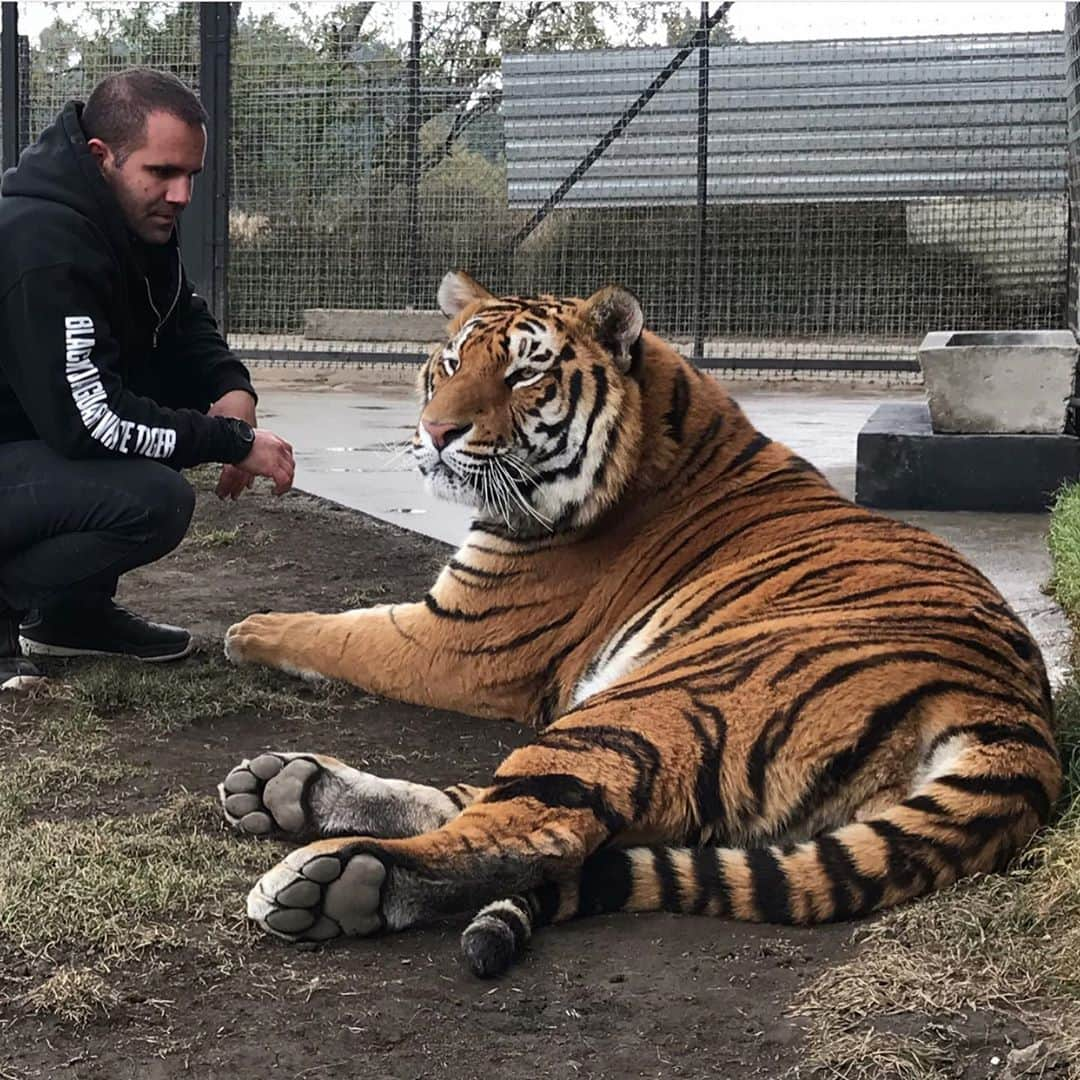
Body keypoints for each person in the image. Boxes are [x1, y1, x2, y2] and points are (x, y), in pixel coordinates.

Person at [0, 67, 296, 688]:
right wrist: (231, 443)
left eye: (191, 174)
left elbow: (178, 316)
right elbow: (93, 422)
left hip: (23, 446)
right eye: (162, 172)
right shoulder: (43, 241)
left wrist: (231, 393)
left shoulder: (125, 218)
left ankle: (70, 619)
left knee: (151, 430)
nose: (182, 194)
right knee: (152, 496)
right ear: (101, 156)